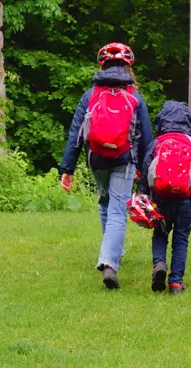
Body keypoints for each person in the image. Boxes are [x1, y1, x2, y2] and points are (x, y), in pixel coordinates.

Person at [59, 42, 154, 290]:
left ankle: (112, 253)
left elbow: (75, 135)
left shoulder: (90, 95)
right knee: (116, 209)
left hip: (97, 159)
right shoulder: (134, 96)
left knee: (105, 202)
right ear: (128, 67)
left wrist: (67, 169)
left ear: (102, 65)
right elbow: (146, 137)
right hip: (124, 159)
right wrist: (147, 170)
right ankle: (110, 263)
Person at [143, 100, 191, 295]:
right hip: (185, 201)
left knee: (160, 234)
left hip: (160, 198)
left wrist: (144, 197)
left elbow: (146, 170)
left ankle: (159, 264)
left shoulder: (157, 143)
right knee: (181, 239)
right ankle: (176, 283)